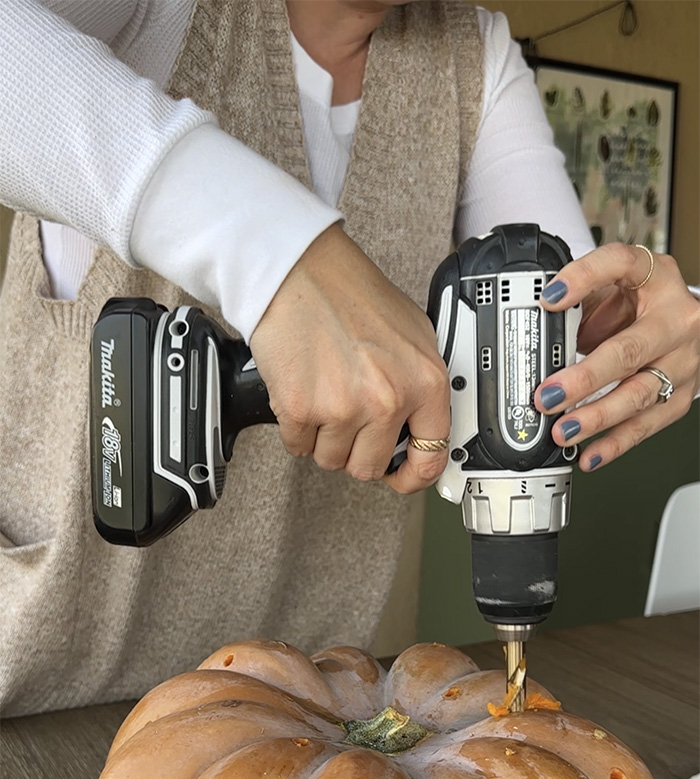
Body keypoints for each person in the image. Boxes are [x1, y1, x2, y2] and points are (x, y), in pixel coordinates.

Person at [1, 0, 698, 718]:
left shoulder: (472, 55)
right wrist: (281, 256)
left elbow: (548, 337)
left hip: (310, 727)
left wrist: (652, 335)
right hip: (42, 709)